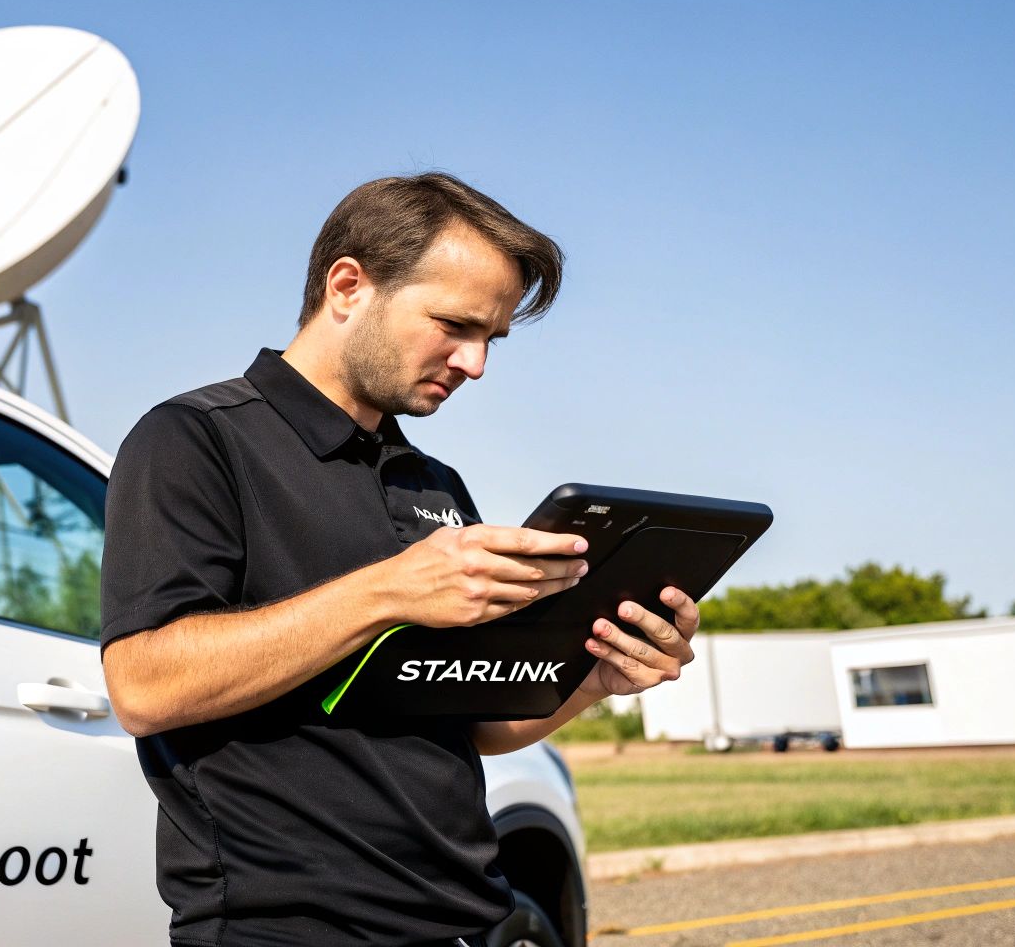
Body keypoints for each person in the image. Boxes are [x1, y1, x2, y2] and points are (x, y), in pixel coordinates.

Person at [100, 173, 699, 947]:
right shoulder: (195, 439)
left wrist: (593, 681)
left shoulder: (434, 484)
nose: (475, 363)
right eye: (454, 324)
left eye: (492, 339)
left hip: (462, 921)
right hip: (283, 930)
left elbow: (472, 720)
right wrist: (391, 592)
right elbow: (144, 685)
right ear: (348, 285)